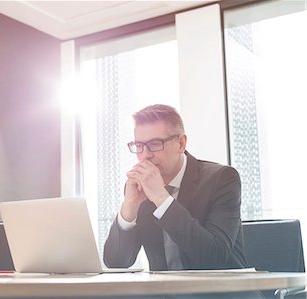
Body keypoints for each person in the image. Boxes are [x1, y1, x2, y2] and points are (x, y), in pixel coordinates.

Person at [103, 104, 247, 271]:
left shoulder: (221, 179)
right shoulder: (139, 188)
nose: (145, 155)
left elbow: (213, 257)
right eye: (139, 146)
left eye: (155, 144)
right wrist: (129, 209)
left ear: (181, 143)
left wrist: (161, 199)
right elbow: (116, 263)